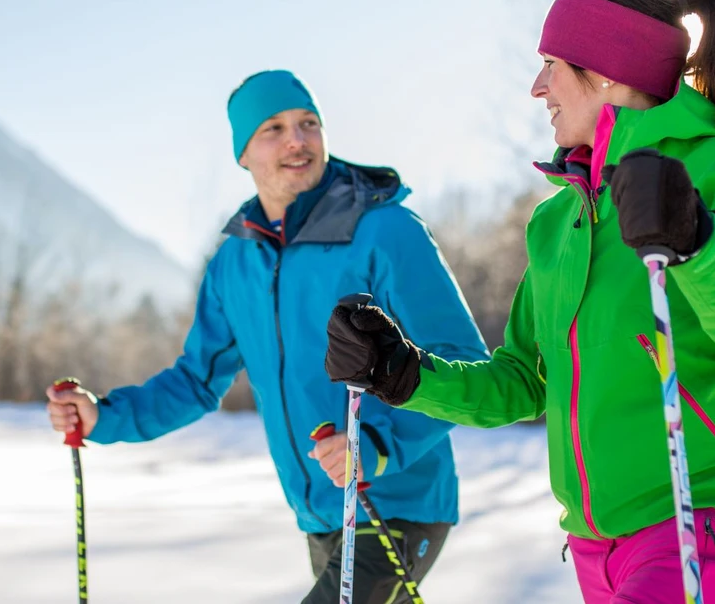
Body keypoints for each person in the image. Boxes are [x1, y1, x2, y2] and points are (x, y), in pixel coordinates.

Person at [321, 0, 715, 602]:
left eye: (551, 65)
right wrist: (404, 373)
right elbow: (524, 381)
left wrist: (700, 245)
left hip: (703, 521)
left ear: (608, 68)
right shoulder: (558, 221)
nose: (538, 88)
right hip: (595, 545)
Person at [45, 69, 488, 603]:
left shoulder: (386, 231)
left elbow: (463, 361)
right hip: (320, 514)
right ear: (243, 155)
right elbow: (195, 381)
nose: (297, 140)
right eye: (273, 129)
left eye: (308, 123)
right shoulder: (234, 264)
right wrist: (105, 415)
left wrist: (375, 446)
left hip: (395, 501)